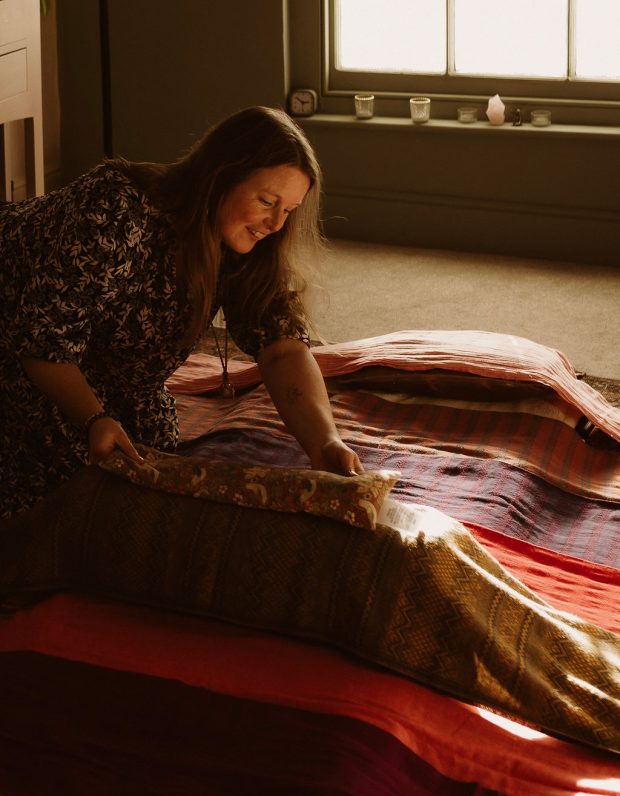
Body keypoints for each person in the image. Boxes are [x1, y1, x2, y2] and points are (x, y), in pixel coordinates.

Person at [0, 105, 363, 519]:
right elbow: (40, 341)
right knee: (57, 500)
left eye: (289, 210)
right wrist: (93, 417)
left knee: (148, 470)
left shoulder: (244, 244)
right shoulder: (115, 210)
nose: (276, 224)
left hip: (100, 370)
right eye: (266, 201)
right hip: (18, 345)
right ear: (220, 177)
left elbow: (281, 349)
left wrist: (325, 442)